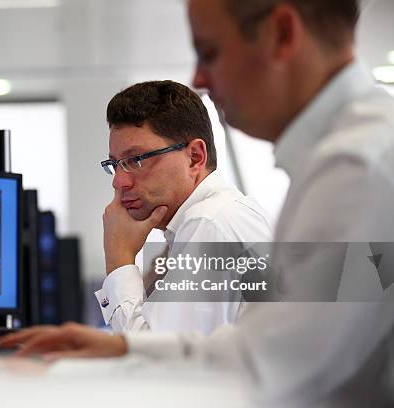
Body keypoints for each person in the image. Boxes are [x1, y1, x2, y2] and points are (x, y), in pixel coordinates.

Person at [0, 0, 394, 404]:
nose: (200, 78)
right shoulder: (356, 155)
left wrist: (120, 264)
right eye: (116, 164)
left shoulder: (355, 169)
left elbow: (239, 380)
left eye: (210, 52)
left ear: (282, 34)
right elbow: (268, 352)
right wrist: (121, 349)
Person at [95, 80, 272, 334]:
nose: (119, 181)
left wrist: (119, 259)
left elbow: (156, 367)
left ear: (195, 157)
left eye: (135, 160)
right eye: (115, 164)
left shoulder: (208, 224)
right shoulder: (225, 214)